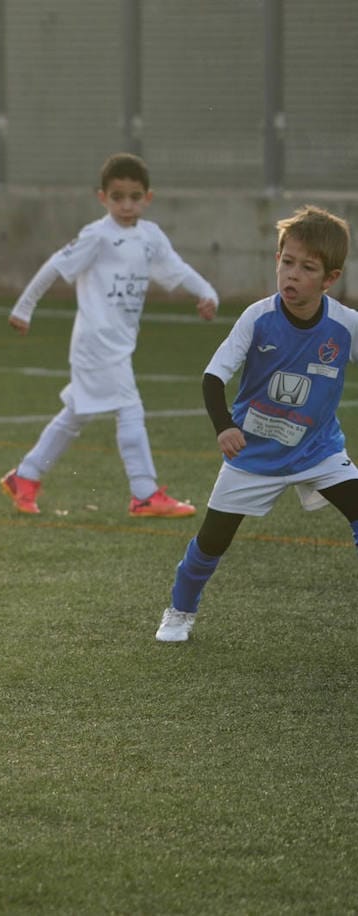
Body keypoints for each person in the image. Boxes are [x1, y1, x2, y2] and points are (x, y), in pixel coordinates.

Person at [155, 205, 358, 643]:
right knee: (212, 542)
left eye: (307, 268)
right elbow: (213, 377)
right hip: (254, 456)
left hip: (318, 450)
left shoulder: (345, 326)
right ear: (277, 260)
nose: (292, 275)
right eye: (287, 262)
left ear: (329, 278)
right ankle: (179, 610)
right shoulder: (258, 317)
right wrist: (225, 426)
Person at [0, 153, 219, 517]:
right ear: (102, 197)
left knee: (76, 415)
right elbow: (55, 264)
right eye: (118, 197)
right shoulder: (97, 236)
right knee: (129, 409)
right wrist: (24, 308)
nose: (127, 205)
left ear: (148, 197)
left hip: (118, 341)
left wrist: (207, 292)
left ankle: (25, 476)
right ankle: (145, 493)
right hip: (96, 342)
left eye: (135, 197)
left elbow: (176, 269)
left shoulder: (150, 236)